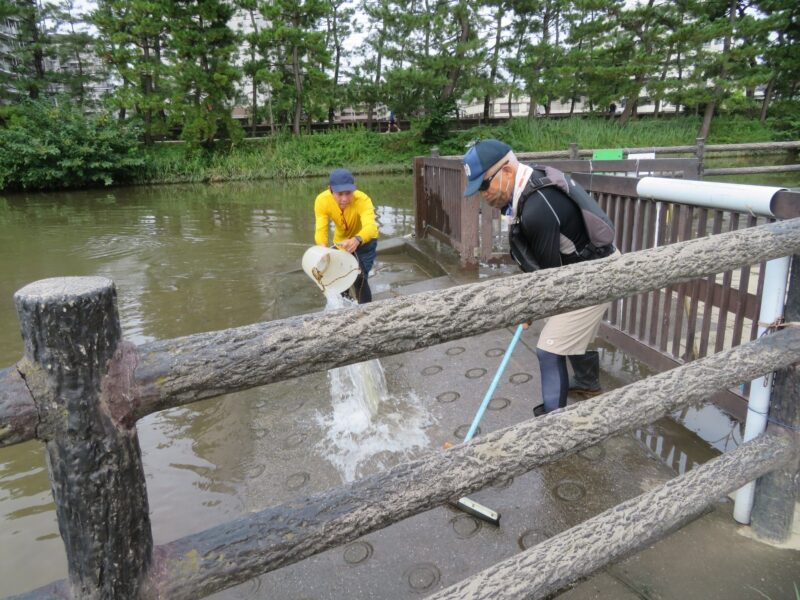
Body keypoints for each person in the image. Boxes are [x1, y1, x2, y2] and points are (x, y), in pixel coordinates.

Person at [462, 139, 618, 415]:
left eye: (484, 185)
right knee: (560, 326)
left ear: (507, 172)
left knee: (549, 349)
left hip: (598, 273)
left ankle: (551, 424)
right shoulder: (529, 181)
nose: (482, 194)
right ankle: (587, 381)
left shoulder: (537, 208)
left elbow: (550, 284)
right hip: (588, 266)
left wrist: (530, 307)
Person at [314, 168, 379, 303]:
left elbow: (371, 227)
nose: (344, 199)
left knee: (359, 277)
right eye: (340, 194)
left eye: (348, 193)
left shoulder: (363, 200)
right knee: (340, 277)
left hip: (365, 241)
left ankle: (366, 310)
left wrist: (357, 239)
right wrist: (323, 249)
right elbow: (321, 229)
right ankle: (345, 307)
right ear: (330, 189)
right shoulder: (322, 200)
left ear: (354, 189)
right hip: (341, 242)